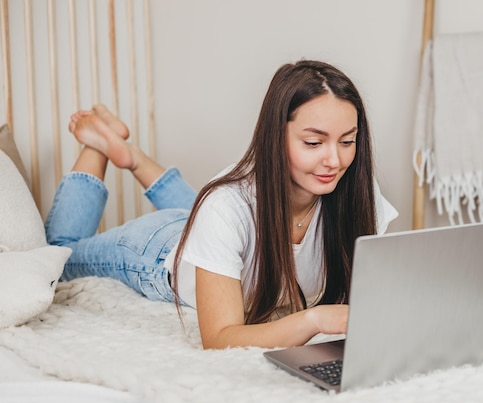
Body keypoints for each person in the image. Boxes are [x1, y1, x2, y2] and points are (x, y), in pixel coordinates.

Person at [45, 60, 398, 349]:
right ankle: (97, 146)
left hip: (210, 227)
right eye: (313, 142)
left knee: (210, 210)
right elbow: (220, 338)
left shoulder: (355, 193)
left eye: (347, 141)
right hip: (155, 251)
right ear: (275, 137)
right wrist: (314, 319)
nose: (334, 160)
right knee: (56, 257)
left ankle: (132, 157)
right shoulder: (224, 207)